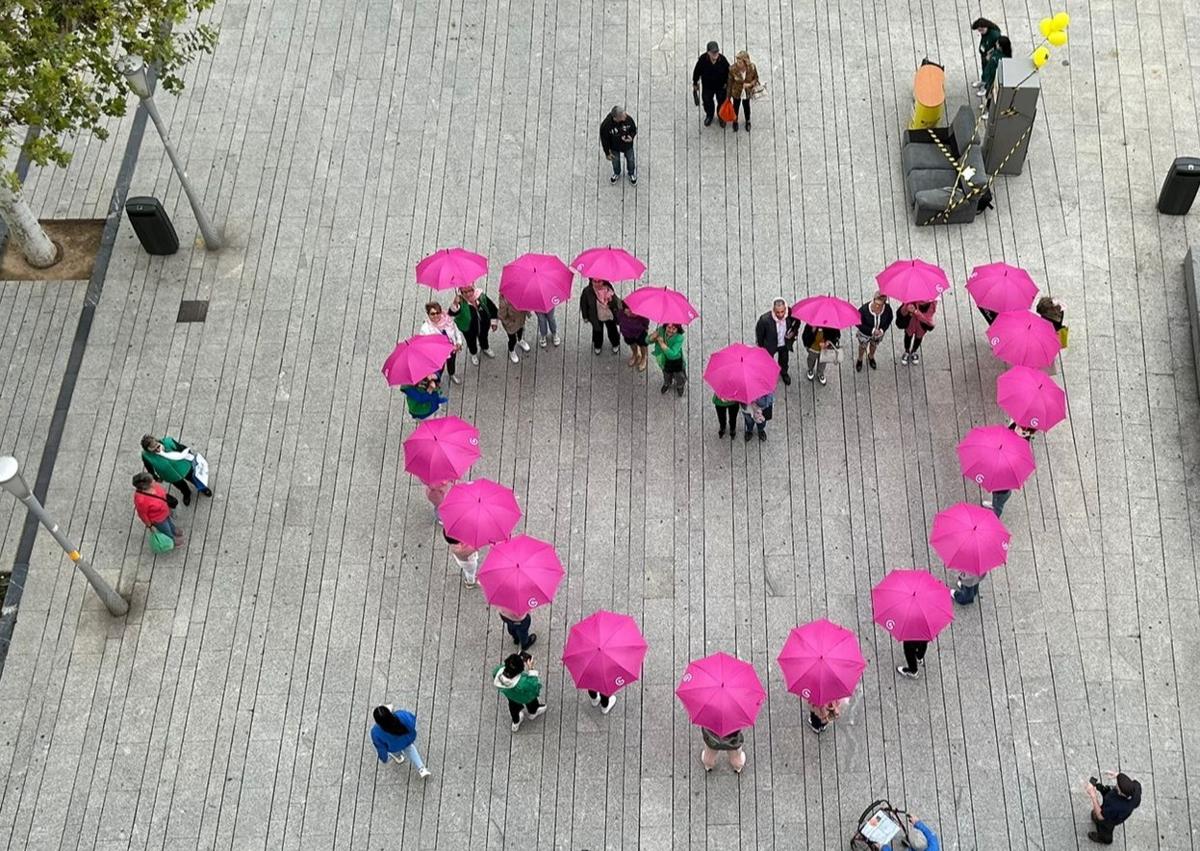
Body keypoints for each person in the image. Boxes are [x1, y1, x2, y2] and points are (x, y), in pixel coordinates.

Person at [141, 434, 212, 506]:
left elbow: (182, 448)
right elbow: (149, 468)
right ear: (147, 449)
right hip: (170, 476)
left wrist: (191, 457)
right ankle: (187, 494)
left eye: (156, 444)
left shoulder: (168, 442)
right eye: (153, 448)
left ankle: (203, 488)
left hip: (185, 468)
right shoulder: (147, 457)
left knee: (194, 478)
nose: (157, 448)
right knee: (182, 487)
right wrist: (156, 478)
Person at [370, 704, 432, 779]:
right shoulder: (401, 716)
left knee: (395, 752)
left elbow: (380, 747)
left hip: (394, 747)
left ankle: (399, 757)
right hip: (407, 739)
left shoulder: (376, 732)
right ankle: (421, 769)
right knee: (410, 749)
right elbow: (412, 720)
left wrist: (384, 758)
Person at [492, 651, 547, 732]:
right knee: (532, 702)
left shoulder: (497, 672)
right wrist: (531, 668)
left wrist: (515, 661)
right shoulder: (522, 683)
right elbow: (533, 684)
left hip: (511, 696)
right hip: (525, 697)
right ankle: (533, 712)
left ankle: (516, 722)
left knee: (513, 707)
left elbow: (501, 670)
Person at [1084, 771, 1142, 844]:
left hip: (1110, 819)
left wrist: (1093, 796)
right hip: (1111, 806)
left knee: (1105, 828)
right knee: (1099, 811)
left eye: (1117, 785)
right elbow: (1133, 784)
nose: (1116, 785)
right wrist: (1117, 775)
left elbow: (1101, 816)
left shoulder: (1115, 807)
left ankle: (1104, 839)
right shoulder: (1135, 789)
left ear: (1121, 793)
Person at [754, 298, 800, 385]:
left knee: (784, 360)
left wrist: (793, 332)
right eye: (777, 312)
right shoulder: (764, 320)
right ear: (773, 310)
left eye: (782, 311)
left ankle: (784, 373)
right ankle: (768, 375)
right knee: (767, 362)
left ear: (785, 309)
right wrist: (761, 347)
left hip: (784, 344)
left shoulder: (791, 314)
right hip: (770, 345)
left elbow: (797, 323)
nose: (780, 314)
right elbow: (759, 334)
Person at [449, 284, 498, 365]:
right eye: (465, 292)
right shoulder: (460, 302)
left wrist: (494, 322)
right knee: (471, 342)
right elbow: (452, 313)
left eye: (471, 290)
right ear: (461, 292)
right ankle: (473, 354)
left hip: (483, 325)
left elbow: (492, 308)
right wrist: (455, 304)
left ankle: (485, 347)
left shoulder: (481, 296)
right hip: (469, 329)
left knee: (484, 337)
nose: (469, 294)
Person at [419, 300, 465, 384]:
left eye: (438, 312)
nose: (436, 315)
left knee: (451, 363)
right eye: (432, 314)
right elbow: (426, 346)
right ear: (428, 314)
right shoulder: (425, 329)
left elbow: (456, 331)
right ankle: (436, 382)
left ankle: (452, 374)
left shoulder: (448, 320)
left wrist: (459, 342)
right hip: (438, 355)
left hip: (452, 349)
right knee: (439, 369)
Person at [132, 472, 183, 546]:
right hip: (158, 519)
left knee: (169, 522)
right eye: (152, 480)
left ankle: (173, 529)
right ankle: (172, 539)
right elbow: (142, 514)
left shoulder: (155, 486)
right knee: (166, 530)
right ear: (146, 486)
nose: (154, 481)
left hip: (165, 511)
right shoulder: (141, 500)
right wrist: (149, 526)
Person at [692, 41, 731, 127]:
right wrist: (695, 83)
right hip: (707, 87)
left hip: (721, 87)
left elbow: (729, 73)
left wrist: (728, 85)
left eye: (717, 52)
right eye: (713, 52)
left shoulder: (723, 60)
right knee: (707, 102)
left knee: (721, 102)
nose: (715, 54)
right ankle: (710, 115)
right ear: (708, 52)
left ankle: (721, 116)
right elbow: (696, 72)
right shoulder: (702, 60)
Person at [579, 278, 620, 355]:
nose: (597, 284)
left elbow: (616, 304)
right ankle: (597, 345)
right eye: (594, 281)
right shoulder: (587, 291)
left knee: (612, 330)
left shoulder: (608, 289)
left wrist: (611, 299)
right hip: (596, 316)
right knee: (597, 331)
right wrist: (585, 316)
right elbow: (583, 304)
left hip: (609, 315)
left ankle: (615, 343)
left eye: (599, 281)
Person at [599, 105, 638, 185]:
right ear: (617, 118)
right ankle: (616, 173)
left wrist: (631, 137)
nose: (625, 116)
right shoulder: (606, 125)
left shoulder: (628, 119)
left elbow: (633, 129)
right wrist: (607, 152)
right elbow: (604, 139)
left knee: (631, 159)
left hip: (627, 145)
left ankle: (631, 173)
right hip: (614, 147)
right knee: (615, 161)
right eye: (623, 115)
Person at [855, 293, 894, 372]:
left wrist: (882, 330)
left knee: (874, 345)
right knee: (862, 346)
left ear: (884, 304)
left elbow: (889, 319)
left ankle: (871, 356)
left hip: (878, 334)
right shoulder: (864, 310)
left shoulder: (887, 309)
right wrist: (872, 330)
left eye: (880, 305)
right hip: (864, 334)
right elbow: (858, 323)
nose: (877, 306)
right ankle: (860, 359)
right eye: (876, 303)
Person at [726, 50, 760, 132]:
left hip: (747, 92)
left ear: (745, 62)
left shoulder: (752, 68)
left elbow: (756, 79)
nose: (738, 64)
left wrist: (750, 84)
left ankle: (748, 120)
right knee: (735, 107)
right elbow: (730, 83)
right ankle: (735, 120)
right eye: (737, 62)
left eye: (740, 62)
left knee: (746, 107)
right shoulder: (732, 69)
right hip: (736, 92)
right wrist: (728, 97)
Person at [649, 323, 686, 396]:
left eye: (674, 329)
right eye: (669, 327)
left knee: (679, 376)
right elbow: (647, 341)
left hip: (676, 361)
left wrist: (662, 344)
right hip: (663, 360)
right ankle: (667, 383)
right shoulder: (660, 331)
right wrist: (652, 337)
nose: (671, 330)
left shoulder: (679, 338)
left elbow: (672, 354)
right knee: (666, 374)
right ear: (665, 327)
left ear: (677, 329)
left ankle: (680, 385)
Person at [613, 298, 650, 371]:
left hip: (640, 333)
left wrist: (645, 329)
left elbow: (646, 323)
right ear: (624, 309)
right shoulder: (620, 314)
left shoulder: (642, 315)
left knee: (643, 345)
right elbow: (617, 321)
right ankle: (635, 354)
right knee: (632, 344)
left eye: (634, 310)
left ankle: (644, 357)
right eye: (629, 310)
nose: (632, 312)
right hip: (627, 333)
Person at [980, 36, 1013, 118]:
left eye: (998, 43)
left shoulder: (1003, 58)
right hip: (990, 77)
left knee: (991, 96)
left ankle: (988, 111)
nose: (996, 44)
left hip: (994, 80)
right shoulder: (996, 52)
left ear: (1001, 46)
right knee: (988, 94)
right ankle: (986, 106)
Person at [897, 301, 937, 365]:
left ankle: (914, 351)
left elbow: (927, 319)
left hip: (921, 326)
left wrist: (916, 312)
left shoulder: (932, 303)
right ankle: (907, 351)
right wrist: (906, 308)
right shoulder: (911, 298)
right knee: (908, 336)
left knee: (918, 338)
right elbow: (902, 312)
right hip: (911, 322)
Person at [972, 18, 1003, 95]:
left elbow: (999, 48)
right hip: (984, 55)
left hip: (990, 57)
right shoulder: (985, 33)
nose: (980, 32)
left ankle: (986, 89)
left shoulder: (994, 35)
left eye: (981, 30)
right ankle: (983, 81)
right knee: (984, 70)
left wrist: (991, 55)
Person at [498, 294, 532, 363]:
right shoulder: (504, 302)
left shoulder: (520, 294)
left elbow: (525, 304)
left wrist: (527, 312)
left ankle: (520, 340)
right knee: (512, 340)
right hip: (511, 325)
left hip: (520, 320)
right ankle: (511, 351)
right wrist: (509, 324)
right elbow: (501, 316)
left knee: (520, 331)